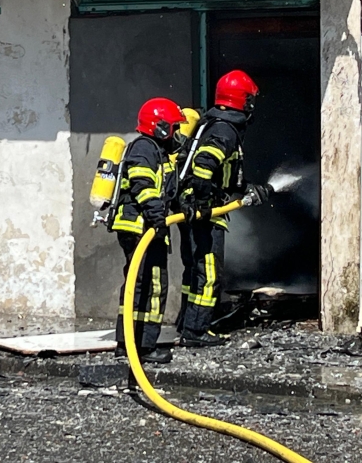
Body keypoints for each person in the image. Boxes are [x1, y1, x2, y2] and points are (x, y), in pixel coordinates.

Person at [176, 70, 268, 347]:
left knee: (194, 270)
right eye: (250, 100)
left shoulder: (215, 123)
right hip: (203, 211)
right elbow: (205, 166)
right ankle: (196, 331)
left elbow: (223, 174)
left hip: (192, 207)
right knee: (209, 273)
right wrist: (204, 204)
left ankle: (186, 323)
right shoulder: (225, 129)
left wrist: (245, 189)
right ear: (244, 102)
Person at [112, 97, 187, 364]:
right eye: (174, 128)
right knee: (151, 286)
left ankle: (129, 343)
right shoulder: (144, 149)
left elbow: (167, 190)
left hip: (146, 226)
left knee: (140, 285)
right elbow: (143, 186)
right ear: (161, 128)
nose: (176, 134)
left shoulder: (156, 151)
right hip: (140, 227)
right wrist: (156, 215)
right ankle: (142, 346)